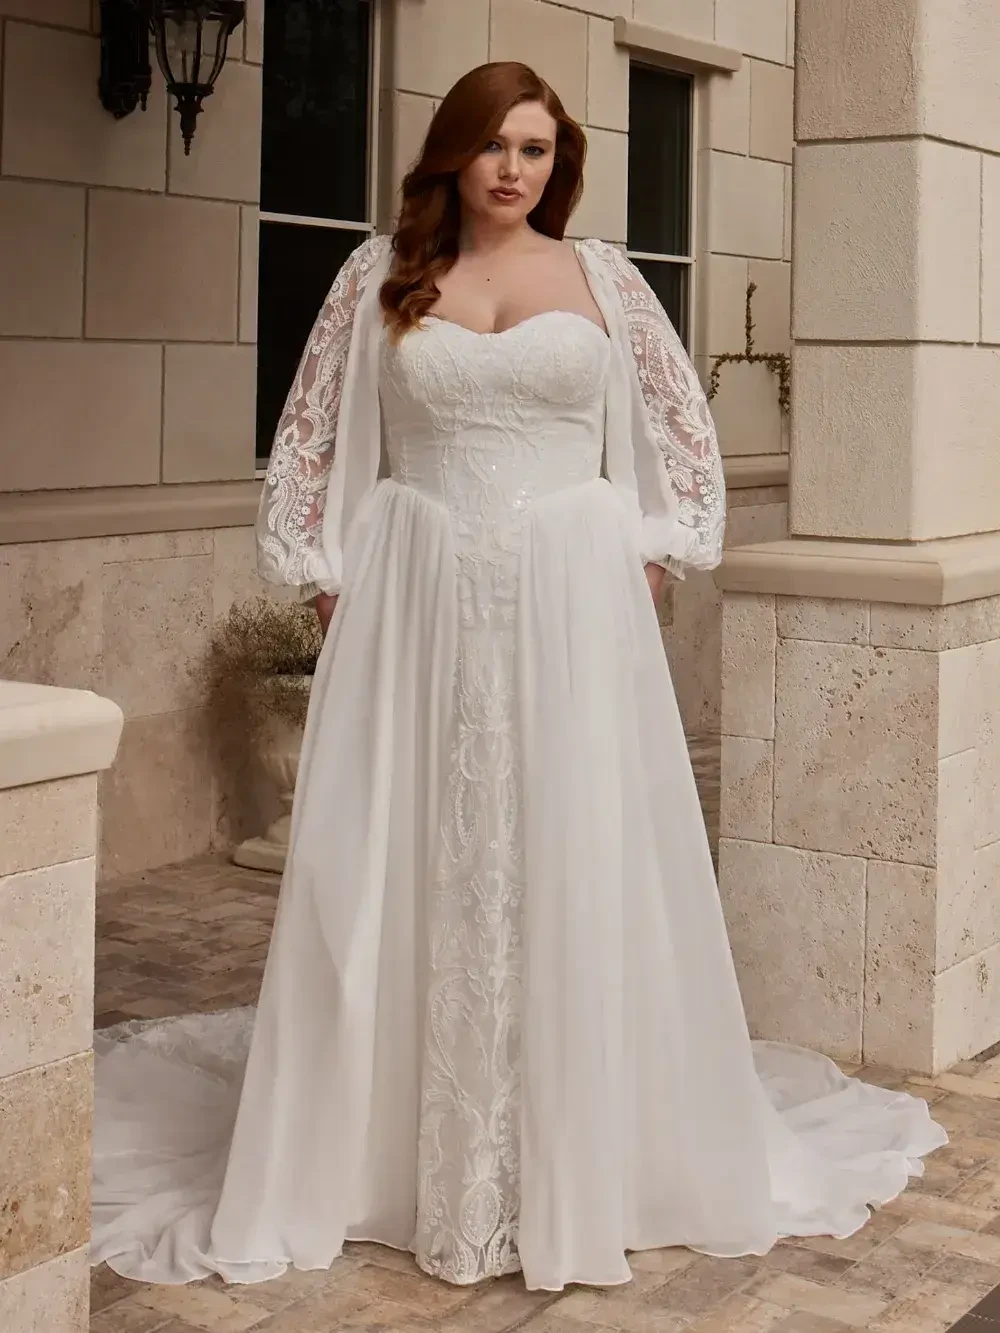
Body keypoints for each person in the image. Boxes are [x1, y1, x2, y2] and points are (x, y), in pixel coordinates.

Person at [92, 61, 945, 1294]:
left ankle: (576, 1148)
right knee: (405, 849)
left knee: (567, 849)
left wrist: (646, 556)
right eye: (493, 145)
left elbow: (681, 436)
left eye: (535, 150)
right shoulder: (378, 274)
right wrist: (330, 576)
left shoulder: (603, 277)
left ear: (560, 163)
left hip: (570, 604)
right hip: (415, 598)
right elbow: (308, 439)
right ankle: (386, 1150)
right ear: (452, 153)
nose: (512, 170)